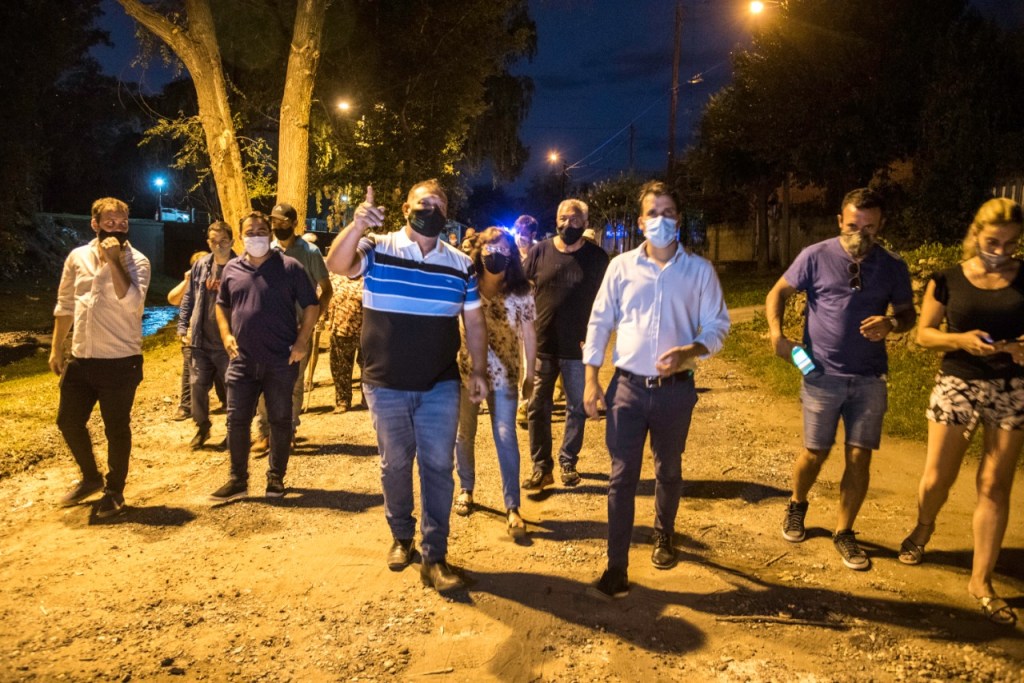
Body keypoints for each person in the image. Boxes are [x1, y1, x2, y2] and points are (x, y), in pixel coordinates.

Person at [325, 181, 488, 594]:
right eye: (422, 203)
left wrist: (479, 371)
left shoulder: (461, 264)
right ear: (405, 208)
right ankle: (401, 535)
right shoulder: (378, 247)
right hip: (386, 384)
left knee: (438, 468)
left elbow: (473, 322)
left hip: (440, 385)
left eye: (439, 203)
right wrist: (356, 225)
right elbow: (337, 265)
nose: (430, 209)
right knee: (395, 465)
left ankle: (435, 556)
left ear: (447, 212)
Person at [582, 182, 730, 599]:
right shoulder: (621, 268)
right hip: (626, 389)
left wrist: (691, 350)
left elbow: (718, 325)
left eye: (668, 213)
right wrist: (591, 379)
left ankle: (664, 534)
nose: (660, 220)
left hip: (674, 391)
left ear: (678, 220)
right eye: (653, 213)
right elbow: (599, 321)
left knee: (669, 469)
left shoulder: (699, 271)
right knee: (621, 476)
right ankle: (616, 565)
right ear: (641, 221)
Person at [766, 187, 915, 571]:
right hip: (819, 373)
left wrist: (891, 322)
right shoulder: (814, 255)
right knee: (815, 453)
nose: (860, 234)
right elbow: (777, 292)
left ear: (881, 225)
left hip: (869, 377)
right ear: (839, 221)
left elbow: (907, 315)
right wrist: (777, 335)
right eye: (852, 226)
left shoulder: (892, 265)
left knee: (859, 456)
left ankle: (844, 531)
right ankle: (797, 503)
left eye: (869, 227)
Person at [899, 197, 1024, 626]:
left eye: (1011, 244)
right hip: (957, 384)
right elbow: (924, 335)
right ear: (976, 234)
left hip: (1011, 388)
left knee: (994, 485)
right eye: (993, 242)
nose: (1001, 251)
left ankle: (981, 581)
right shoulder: (947, 279)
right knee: (938, 478)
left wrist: (1017, 347)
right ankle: (924, 526)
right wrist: (962, 340)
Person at [50, 197, 151, 517]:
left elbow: (132, 303)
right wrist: (56, 348)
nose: (117, 228)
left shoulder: (138, 261)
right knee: (68, 421)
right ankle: (90, 477)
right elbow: (66, 304)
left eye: (122, 223)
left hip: (120, 360)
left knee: (116, 428)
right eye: (110, 222)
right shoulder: (77, 257)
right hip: (81, 357)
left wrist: (114, 261)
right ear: (95, 224)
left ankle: (114, 490)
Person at [209, 211, 319, 502]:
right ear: (241, 236)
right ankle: (237, 480)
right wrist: (226, 334)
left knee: (280, 420)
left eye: (261, 231)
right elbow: (221, 305)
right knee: (236, 420)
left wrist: (302, 341)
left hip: (281, 360)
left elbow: (312, 305)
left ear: (270, 235)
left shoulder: (290, 267)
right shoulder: (232, 269)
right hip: (242, 360)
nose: (255, 236)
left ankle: (275, 479)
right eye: (250, 232)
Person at [453, 227, 537, 539]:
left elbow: (529, 333)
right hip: (467, 372)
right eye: (491, 249)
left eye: (504, 250)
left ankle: (512, 506)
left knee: (505, 436)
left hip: (505, 375)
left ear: (512, 255)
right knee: (465, 434)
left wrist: (531, 374)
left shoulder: (521, 290)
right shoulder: (467, 285)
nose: (497, 255)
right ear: (480, 252)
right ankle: (466, 488)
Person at [522, 199, 609, 490]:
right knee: (537, 407)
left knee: (577, 407)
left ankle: (568, 460)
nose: (567, 225)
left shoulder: (597, 258)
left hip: (578, 348)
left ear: (585, 223)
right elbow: (521, 286)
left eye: (574, 220)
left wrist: (596, 338)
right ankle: (541, 467)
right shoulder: (539, 251)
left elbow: (606, 302)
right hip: (543, 344)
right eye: (562, 218)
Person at [250, 203, 333, 454]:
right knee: (264, 382)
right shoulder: (266, 250)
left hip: (298, 329)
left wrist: (314, 319)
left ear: (294, 223)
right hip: (268, 328)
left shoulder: (310, 252)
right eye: (274, 222)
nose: (277, 226)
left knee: (293, 384)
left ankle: (287, 432)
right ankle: (264, 432)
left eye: (283, 222)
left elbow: (326, 289)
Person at [177, 223, 237, 450]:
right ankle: (202, 427)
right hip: (200, 340)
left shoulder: (241, 266)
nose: (219, 246)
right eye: (214, 241)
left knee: (232, 389)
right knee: (197, 386)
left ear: (232, 241)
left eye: (223, 241)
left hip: (228, 342)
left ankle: (233, 432)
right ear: (208, 243)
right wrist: (183, 327)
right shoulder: (201, 265)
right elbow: (189, 298)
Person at [167, 252, 207, 422]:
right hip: (194, 336)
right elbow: (173, 299)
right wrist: (186, 281)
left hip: (216, 335)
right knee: (189, 369)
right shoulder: (191, 284)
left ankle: (227, 402)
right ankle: (186, 406)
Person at [326, 271, 364, 412]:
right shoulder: (334, 277)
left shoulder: (368, 279)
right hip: (340, 331)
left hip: (365, 332)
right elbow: (324, 297)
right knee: (340, 369)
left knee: (367, 367)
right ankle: (343, 401)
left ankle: (368, 398)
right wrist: (321, 318)